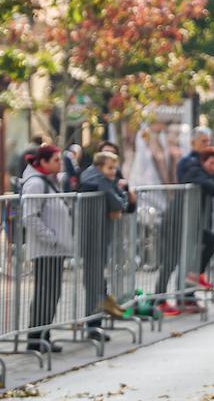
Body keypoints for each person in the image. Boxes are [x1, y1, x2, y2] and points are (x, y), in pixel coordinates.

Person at [156, 147, 214, 315]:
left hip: (191, 223)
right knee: (170, 260)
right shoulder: (194, 170)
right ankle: (158, 299)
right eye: (211, 163)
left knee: (209, 243)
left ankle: (190, 287)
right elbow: (213, 187)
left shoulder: (206, 174)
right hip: (175, 221)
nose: (213, 167)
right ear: (203, 162)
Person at [78, 151, 137, 339]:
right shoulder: (96, 180)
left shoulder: (104, 180)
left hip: (101, 238)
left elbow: (122, 202)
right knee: (94, 281)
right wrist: (118, 202)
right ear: (99, 167)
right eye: (110, 168)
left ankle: (96, 321)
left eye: (115, 168)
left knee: (96, 281)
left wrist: (119, 201)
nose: (114, 172)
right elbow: (117, 202)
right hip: (93, 238)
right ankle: (93, 325)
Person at [20, 145, 72, 352]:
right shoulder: (35, 184)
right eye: (56, 160)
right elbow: (30, 217)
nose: (60, 164)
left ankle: (44, 335)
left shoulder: (51, 181)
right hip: (45, 249)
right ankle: (36, 338)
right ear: (43, 162)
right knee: (45, 294)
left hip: (55, 249)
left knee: (53, 293)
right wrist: (50, 238)